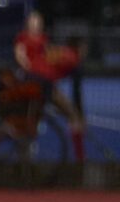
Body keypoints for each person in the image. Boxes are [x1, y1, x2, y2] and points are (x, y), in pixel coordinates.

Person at [11, 11, 85, 159]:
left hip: (46, 84)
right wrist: (28, 68)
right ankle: (24, 157)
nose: (35, 24)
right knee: (31, 120)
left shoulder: (44, 40)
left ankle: (80, 157)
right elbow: (20, 55)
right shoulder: (23, 38)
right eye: (33, 21)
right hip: (34, 83)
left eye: (38, 21)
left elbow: (50, 58)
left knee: (72, 116)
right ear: (27, 23)